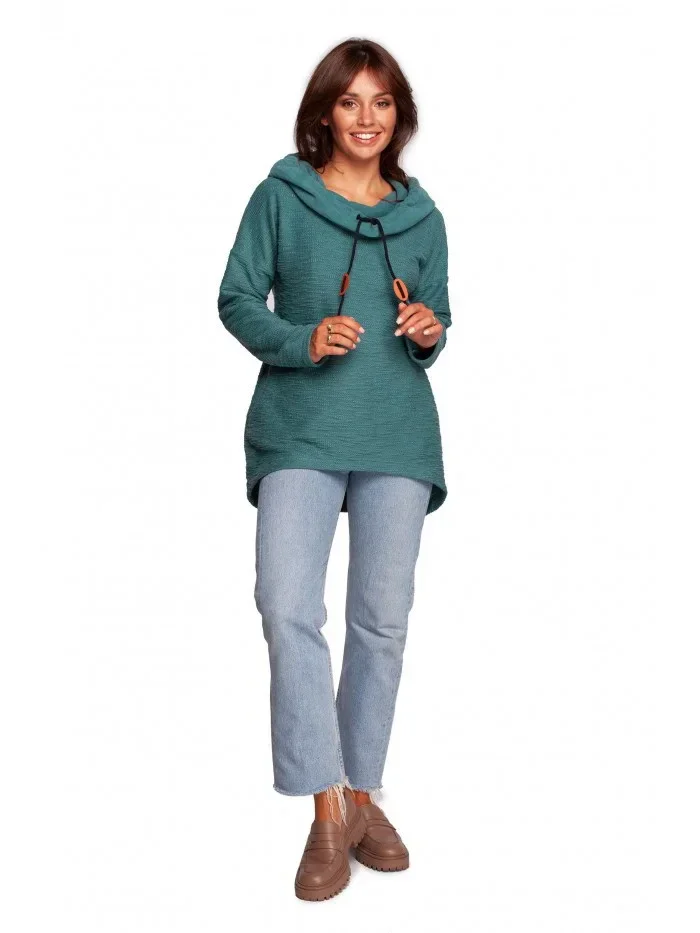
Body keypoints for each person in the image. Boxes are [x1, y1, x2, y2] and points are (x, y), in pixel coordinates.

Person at [217, 37, 452, 900]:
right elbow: (236, 297)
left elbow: (438, 317)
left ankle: (361, 794)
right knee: (287, 606)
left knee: (381, 622)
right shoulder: (280, 196)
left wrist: (429, 330)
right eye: (350, 101)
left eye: (382, 102)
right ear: (324, 111)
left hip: (396, 432)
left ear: (400, 115)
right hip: (300, 429)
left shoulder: (424, 217)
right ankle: (326, 805)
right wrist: (302, 339)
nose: (366, 118)